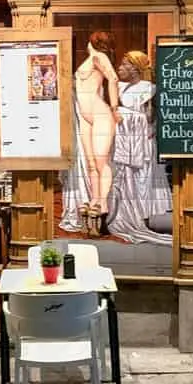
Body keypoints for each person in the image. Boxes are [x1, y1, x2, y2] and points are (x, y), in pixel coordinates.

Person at [107, 50, 171, 244]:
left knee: (142, 180)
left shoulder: (149, 89)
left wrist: (127, 116)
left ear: (135, 68)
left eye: (124, 64)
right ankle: (124, 213)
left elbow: (151, 118)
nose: (119, 68)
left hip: (142, 143)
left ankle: (142, 216)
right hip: (126, 142)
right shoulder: (120, 88)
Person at [74, 31, 121, 236]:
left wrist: (114, 107)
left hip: (100, 114)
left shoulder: (98, 57)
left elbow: (113, 78)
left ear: (91, 42)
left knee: (102, 164)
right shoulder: (89, 59)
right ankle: (94, 203)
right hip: (85, 115)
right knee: (92, 164)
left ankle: (102, 206)